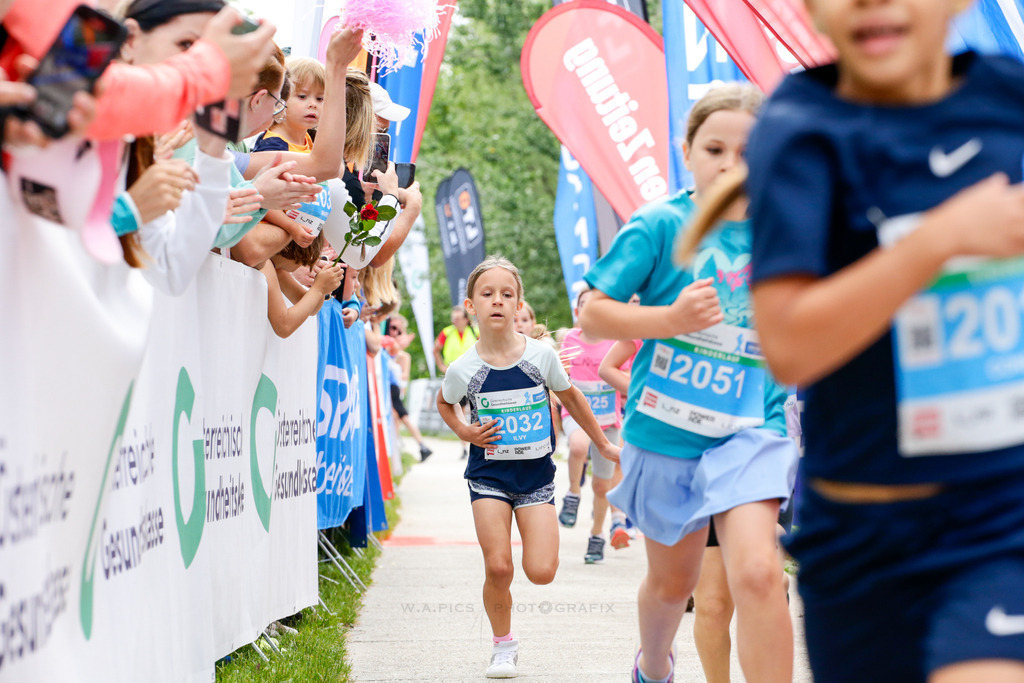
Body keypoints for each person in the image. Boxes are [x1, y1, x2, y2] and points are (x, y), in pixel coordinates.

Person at [743, 1, 1024, 681]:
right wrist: (938, 241)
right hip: (859, 540)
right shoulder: (799, 130)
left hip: (1000, 522)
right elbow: (788, 346)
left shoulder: (1009, 99)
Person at [579, 83, 797, 683]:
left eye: (750, 152)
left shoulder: (788, 229)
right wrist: (669, 321)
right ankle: (653, 666)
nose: (732, 166)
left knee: (758, 572)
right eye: (716, 149)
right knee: (674, 584)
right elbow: (592, 312)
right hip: (667, 430)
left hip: (753, 429)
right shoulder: (659, 225)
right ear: (688, 151)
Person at [436, 256, 619, 679]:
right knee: (499, 566)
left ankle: (513, 619)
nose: (497, 301)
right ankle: (503, 647)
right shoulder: (464, 368)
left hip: (536, 478)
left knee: (540, 572)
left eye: (507, 294)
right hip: (488, 477)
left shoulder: (541, 356)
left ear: (519, 304)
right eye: (487, 294)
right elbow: (445, 403)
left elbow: (573, 399)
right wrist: (465, 432)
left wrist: (604, 444)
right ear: (470, 306)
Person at [556, 288, 629, 564]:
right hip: (576, 412)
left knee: (602, 486)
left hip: (608, 419)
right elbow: (561, 372)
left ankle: (597, 536)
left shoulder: (617, 341)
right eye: (584, 305)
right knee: (578, 444)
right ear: (577, 312)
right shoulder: (571, 339)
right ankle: (573, 492)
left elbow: (629, 372)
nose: (589, 311)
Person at [383, 314, 432, 461]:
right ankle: (418, 446)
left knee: (400, 418)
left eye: (398, 331)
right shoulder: (387, 347)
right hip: (389, 388)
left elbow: (404, 376)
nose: (394, 333)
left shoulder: (402, 356)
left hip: (393, 389)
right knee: (399, 418)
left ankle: (416, 447)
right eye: (392, 328)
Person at [435, 304, 479, 458]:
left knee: (473, 409)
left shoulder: (475, 331)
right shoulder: (447, 332)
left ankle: (473, 442)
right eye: (454, 319)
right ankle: (465, 445)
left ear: (466, 320)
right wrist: (441, 366)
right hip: (455, 376)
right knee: (459, 409)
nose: (456, 322)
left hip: (473, 375)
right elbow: (436, 349)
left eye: (459, 319)